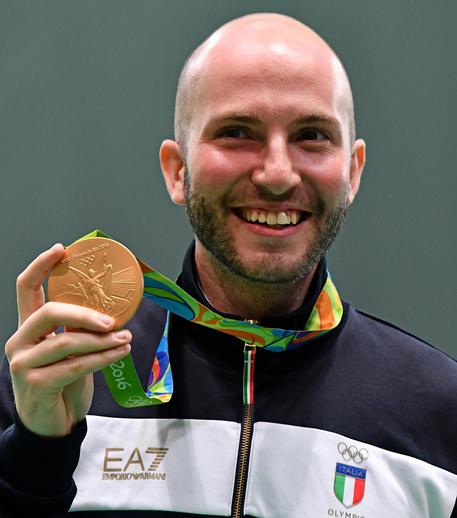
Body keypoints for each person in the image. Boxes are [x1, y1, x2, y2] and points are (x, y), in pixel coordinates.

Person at [0, 12, 456, 518]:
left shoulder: (438, 413)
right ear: (178, 171)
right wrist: (38, 454)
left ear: (352, 172)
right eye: (237, 132)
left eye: (312, 135)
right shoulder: (55, 383)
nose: (278, 174)